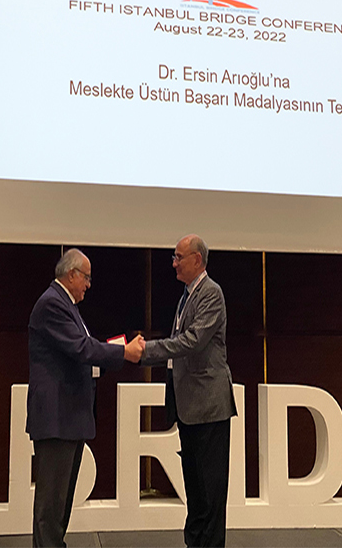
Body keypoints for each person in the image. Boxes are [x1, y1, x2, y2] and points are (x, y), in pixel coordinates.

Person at [28, 248, 145, 547]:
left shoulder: (66, 305)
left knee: (61, 502)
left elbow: (82, 350)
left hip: (68, 416)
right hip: (56, 417)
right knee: (51, 505)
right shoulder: (53, 304)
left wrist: (112, 352)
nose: (89, 285)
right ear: (72, 275)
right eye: (86, 278)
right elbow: (81, 348)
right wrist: (123, 352)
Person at [140, 234, 236, 548]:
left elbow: (192, 341)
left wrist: (146, 350)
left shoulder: (211, 293)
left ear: (197, 259)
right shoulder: (187, 295)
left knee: (210, 490)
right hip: (189, 406)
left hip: (208, 406)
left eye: (178, 257)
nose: (174, 263)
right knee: (194, 488)